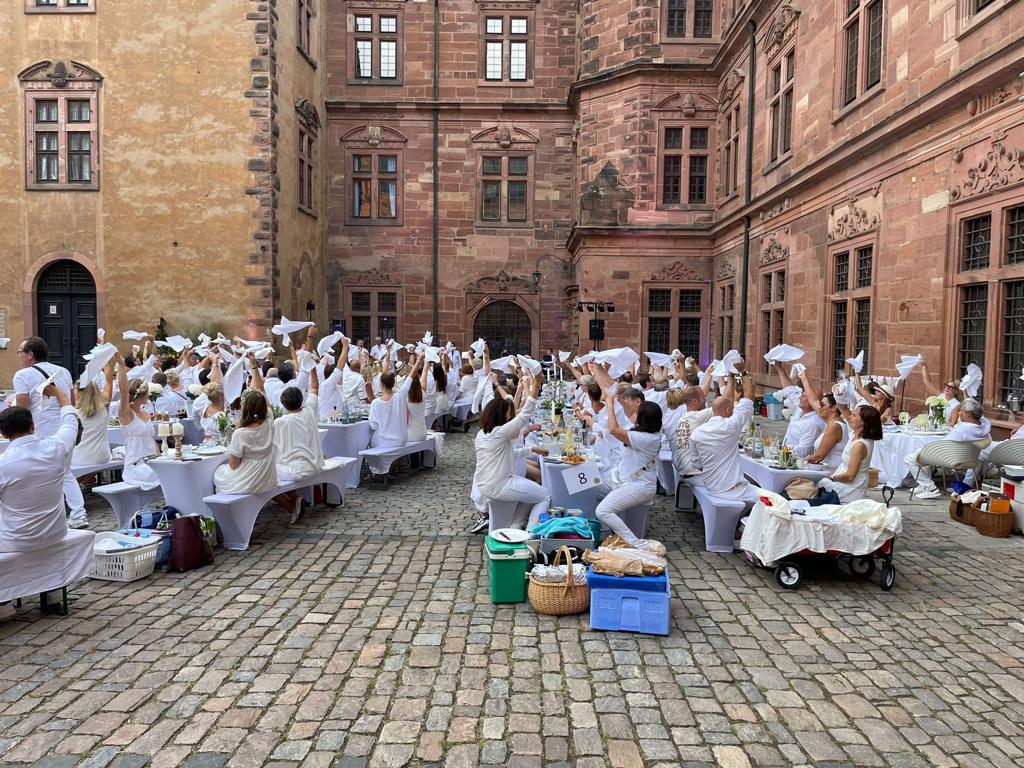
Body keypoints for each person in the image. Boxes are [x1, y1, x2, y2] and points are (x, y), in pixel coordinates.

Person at [13, 336, 86, 528]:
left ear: (30, 354)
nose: (19, 357)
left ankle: (63, 514)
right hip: (64, 424)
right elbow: (69, 400)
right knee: (64, 471)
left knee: (39, 473)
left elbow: (22, 408)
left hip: (40, 428)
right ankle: (76, 513)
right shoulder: (64, 371)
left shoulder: (22, 375)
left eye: (20, 353)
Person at [0, 383, 80, 552]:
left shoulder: (3, 463)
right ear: (33, 426)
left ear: (4, 434)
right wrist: (59, 393)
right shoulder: (56, 447)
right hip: (56, 533)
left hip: (15, 541)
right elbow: (70, 419)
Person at [473, 372, 550, 529]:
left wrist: (532, 449)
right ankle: (531, 533)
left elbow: (510, 454)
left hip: (488, 484)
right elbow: (526, 414)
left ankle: (515, 526)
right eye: (509, 413)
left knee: (530, 491)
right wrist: (536, 384)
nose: (510, 416)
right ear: (501, 415)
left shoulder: (483, 433)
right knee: (544, 495)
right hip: (499, 484)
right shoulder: (500, 432)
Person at [214, 365, 293, 513]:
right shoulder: (269, 423)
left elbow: (233, 465)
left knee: (218, 474)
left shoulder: (241, 433)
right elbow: (264, 396)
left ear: (245, 408)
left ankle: (231, 515)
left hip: (250, 480)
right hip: (267, 476)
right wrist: (254, 366)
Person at [595, 394, 663, 549]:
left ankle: (635, 543)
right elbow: (628, 412)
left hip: (639, 486)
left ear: (643, 419)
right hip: (625, 481)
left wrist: (610, 404)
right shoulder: (646, 430)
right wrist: (618, 398)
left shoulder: (645, 437)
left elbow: (613, 429)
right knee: (593, 489)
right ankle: (605, 533)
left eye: (638, 412)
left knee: (603, 511)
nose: (634, 414)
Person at [690, 369, 759, 504]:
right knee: (776, 500)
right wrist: (743, 372)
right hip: (733, 491)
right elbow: (749, 398)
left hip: (711, 487)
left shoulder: (697, 433)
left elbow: (696, 464)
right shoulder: (730, 427)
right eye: (732, 408)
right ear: (727, 410)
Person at [905, 398, 992, 498]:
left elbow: (944, 444)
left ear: (968, 414)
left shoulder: (962, 430)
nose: (959, 413)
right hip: (970, 458)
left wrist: (925, 449)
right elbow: (982, 418)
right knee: (920, 453)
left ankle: (930, 487)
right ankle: (923, 485)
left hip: (952, 459)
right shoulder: (983, 427)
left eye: (961, 411)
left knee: (910, 458)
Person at [274, 367, 325, 523]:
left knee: (264, 475)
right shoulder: (309, 411)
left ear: (283, 404)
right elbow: (315, 387)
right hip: (314, 467)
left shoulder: (280, 422)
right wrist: (313, 368)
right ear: (301, 399)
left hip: (295, 471)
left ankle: (292, 502)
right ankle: (295, 501)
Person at [812, 405, 883, 505]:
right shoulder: (856, 434)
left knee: (813, 484)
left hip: (849, 490)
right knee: (811, 482)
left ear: (863, 423)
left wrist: (832, 478)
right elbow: (843, 408)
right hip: (842, 483)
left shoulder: (859, 445)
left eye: (854, 415)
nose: (850, 417)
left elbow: (850, 476)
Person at [114, 353, 161, 491]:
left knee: (170, 470)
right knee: (161, 475)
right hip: (136, 465)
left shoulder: (145, 413)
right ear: (143, 394)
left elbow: (151, 440)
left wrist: (160, 458)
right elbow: (123, 391)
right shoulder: (127, 414)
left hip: (151, 460)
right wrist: (122, 366)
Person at [367, 355, 412, 474]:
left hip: (384, 440)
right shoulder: (400, 396)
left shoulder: (376, 403)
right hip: (400, 439)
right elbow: (409, 379)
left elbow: (373, 426)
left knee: (370, 440)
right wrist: (419, 361)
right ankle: (395, 463)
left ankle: (379, 469)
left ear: (381, 384)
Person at [798, 371, 849, 470]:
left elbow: (818, 456)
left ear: (834, 408)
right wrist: (804, 378)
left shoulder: (835, 426)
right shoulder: (830, 420)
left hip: (832, 471)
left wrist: (799, 460)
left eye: (823, 405)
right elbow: (813, 400)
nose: (819, 407)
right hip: (824, 468)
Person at [775, 366, 825, 458]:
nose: (800, 397)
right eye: (802, 394)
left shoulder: (813, 423)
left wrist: (782, 448)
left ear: (813, 401)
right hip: (784, 454)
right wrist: (779, 368)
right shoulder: (802, 409)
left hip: (796, 461)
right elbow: (789, 390)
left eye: (805, 396)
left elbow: (803, 451)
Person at [669, 386, 715, 481]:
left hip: (683, 469)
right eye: (703, 398)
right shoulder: (696, 417)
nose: (705, 400)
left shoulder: (684, 418)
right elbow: (722, 406)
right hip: (694, 473)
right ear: (694, 401)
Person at [73, 367, 114, 469]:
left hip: (80, 457)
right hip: (102, 456)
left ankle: (83, 482)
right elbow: (109, 381)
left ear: (79, 392)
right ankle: (84, 482)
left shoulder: (74, 413)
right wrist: (106, 363)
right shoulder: (104, 406)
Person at [406, 357, 430, 443]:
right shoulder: (422, 392)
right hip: (423, 433)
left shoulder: (406, 398)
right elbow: (424, 372)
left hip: (410, 435)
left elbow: (405, 421)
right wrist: (427, 360)